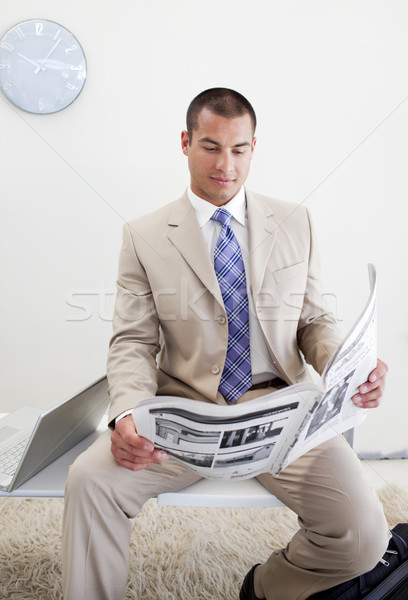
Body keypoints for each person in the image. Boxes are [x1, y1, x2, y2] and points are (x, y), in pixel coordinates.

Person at [62, 88, 389, 600]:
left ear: (254, 147)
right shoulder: (142, 234)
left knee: (365, 535)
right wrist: (126, 411)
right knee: (89, 480)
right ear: (187, 143)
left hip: (281, 409)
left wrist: (351, 366)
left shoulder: (295, 221)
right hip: (183, 413)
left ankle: (262, 588)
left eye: (239, 150)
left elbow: (314, 320)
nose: (226, 165)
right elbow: (132, 341)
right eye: (211, 147)